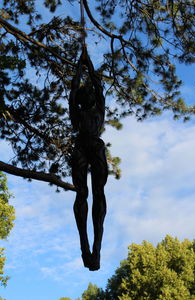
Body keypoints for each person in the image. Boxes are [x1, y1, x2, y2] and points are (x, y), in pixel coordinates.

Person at [69, 48, 108, 271]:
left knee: (98, 193)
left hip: (94, 146)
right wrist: (79, 66)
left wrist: (87, 63)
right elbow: (73, 91)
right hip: (82, 148)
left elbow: (99, 87)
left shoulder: (98, 110)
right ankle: (85, 249)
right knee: (81, 193)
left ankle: (96, 250)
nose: (90, 94)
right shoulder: (76, 111)